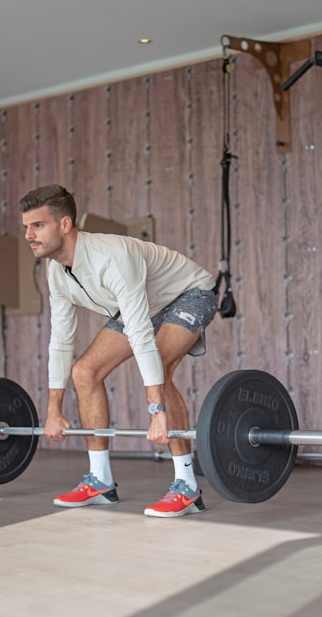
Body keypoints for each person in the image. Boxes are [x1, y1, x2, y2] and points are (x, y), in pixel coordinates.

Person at [19, 185, 217, 518]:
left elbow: (140, 332)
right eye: (26, 226)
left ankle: (187, 486)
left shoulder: (111, 257)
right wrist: (53, 409)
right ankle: (101, 480)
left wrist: (157, 410)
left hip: (189, 293)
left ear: (64, 225)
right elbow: (60, 340)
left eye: (37, 225)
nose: (28, 235)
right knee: (85, 371)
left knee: (162, 362)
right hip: (144, 305)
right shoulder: (57, 272)